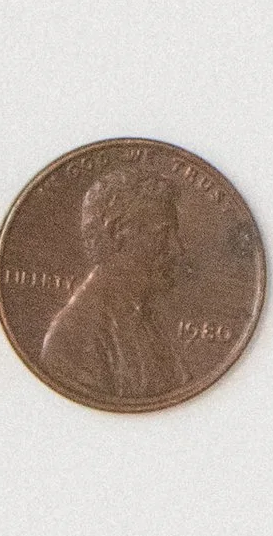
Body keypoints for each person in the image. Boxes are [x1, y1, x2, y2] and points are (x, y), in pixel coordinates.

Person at [40, 164, 182, 401]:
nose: (177, 249)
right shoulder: (74, 337)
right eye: (163, 234)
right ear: (117, 233)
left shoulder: (141, 318)